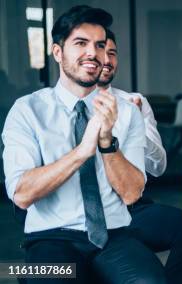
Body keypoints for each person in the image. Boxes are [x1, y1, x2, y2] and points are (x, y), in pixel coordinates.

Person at [2, 5, 165, 283]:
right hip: (49, 238)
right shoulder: (27, 110)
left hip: (114, 236)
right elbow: (21, 194)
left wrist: (106, 144)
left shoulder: (126, 112)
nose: (93, 53)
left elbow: (132, 194)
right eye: (81, 43)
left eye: (100, 45)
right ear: (57, 52)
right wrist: (82, 151)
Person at [97, 30, 182, 284]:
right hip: (89, 212)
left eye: (112, 53)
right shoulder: (68, 106)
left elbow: (159, 167)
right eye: (102, 52)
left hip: (133, 207)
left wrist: (136, 127)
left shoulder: (134, 103)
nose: (107, 60)